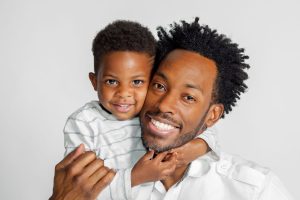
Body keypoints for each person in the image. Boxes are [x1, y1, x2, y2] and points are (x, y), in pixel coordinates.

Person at [130, 17, 294, 199]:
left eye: (188, 97)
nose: (164, 105)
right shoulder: (103, 170)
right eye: (159, 86)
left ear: (212, 115)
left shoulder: (254, 190)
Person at [56, 20, 218, 199]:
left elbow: (203, 130)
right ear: (95, 81)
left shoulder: (146, 113)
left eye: (137, 82)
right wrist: (136, 177)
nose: (124, 94)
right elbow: (80, 186)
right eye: (111, 81)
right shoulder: (84, 122)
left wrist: (198, 146)